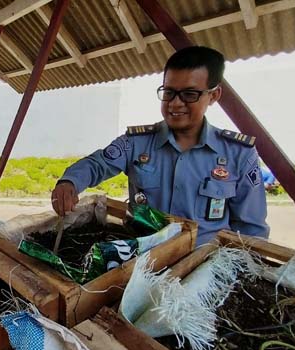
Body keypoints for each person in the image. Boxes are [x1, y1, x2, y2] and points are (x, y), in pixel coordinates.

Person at [51, 46, 269, 246]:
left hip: (204, 268)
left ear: (213, 95)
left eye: (189, 94)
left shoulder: (239, 154)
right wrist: (70, 181)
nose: (175, 103)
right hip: (140, 262)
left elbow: (251, 231)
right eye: (169, 92)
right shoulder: (136, 143)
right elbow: (97, 163)